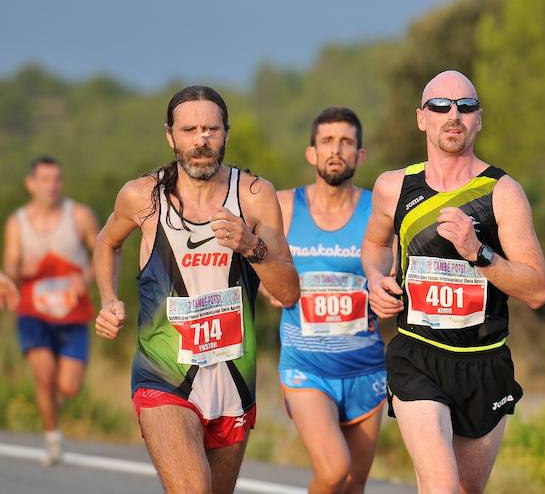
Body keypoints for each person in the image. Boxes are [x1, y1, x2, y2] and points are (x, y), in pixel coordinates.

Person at [92, 86, 300, 494]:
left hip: (233, 380)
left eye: (211, 129)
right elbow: (106, 241)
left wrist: (250, 246)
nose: (201, 140)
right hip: (162, 374)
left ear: (226, 134)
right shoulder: (142, 196)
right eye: (189, 130)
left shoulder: (255, 196)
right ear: (170, 136)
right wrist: (109, 298)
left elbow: (289, 291)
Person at [361, 70, 545, 493]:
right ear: (421, 118)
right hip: (417, 355)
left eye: (465, 107)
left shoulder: (502, 192)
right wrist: (375, 278)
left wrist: (477, 252)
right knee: (442, 486)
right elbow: (374, 245)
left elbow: (536, 289)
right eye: (440, 106)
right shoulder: (394, 187)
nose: (453, 115)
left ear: (478, 119)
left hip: (484, 360)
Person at [265, 106, 386, 494]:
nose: (336, 149)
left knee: (353, 485)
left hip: (366, 367)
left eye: (347, 142)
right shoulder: (283, 206)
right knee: (334, 470)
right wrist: (270, 283)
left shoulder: (379, 211)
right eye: (327, 141)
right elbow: (254, 259)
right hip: (306, 368)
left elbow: (391, 277)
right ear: (311, 152)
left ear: (360, 155)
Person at [3, 156, 99, 465]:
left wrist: (84, 278)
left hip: (72, 312)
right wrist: (21, 270)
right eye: (44, 180)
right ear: (31, 184)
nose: (51, 186)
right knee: (44, 376)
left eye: (56, 179)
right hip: (34, 311)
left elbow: (103, 251)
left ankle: (52, 411)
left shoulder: (79, 215)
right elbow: (10, 267)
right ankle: (53, 439)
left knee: (68, 387)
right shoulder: (17, 223)